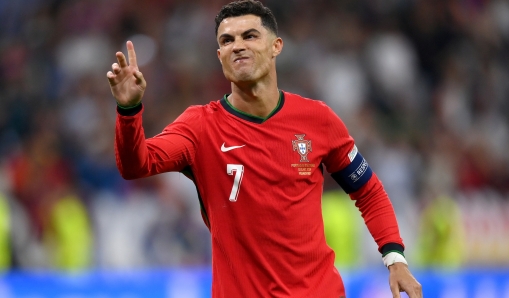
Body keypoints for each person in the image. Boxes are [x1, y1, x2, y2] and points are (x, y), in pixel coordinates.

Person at [107, 0, 422, 297]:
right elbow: (136, 165)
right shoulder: (200, 126)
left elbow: (368, 190)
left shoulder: (317, 119)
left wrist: (395, 258)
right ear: (220, 56)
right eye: (227, 40)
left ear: (276, 46)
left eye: (250, 35)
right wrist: (129, 111)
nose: (238, 45)